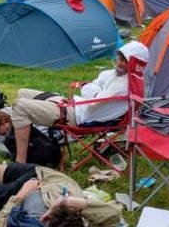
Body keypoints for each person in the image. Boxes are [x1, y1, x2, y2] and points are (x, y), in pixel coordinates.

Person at [10, 41, 148, 163]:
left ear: (134, 65)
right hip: (75, 105)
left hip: (77, 116)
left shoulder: (124, 85)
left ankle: (20, 162)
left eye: (124, 60)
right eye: (119, 57)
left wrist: (91, 89)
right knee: (22, 93)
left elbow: (92, 97)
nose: (119, 63)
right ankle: (11, 138)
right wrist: (93, 90)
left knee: (20, 106)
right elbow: (94, 85)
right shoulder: (116, 75)